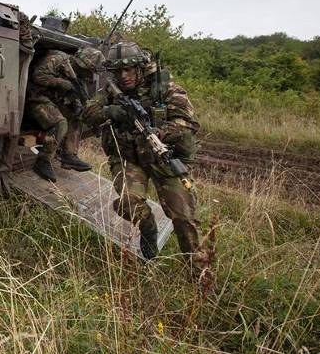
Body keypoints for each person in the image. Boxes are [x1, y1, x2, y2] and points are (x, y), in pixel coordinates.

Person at [82, 41, 206, 274]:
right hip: (129, 158)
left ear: (140, 67)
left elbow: (188, 123)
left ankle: (199, 275)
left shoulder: (165, 88)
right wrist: (111, 112)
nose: (124, 76)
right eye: (118, 71)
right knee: (128, 201)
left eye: (129, 70)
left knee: (183, 217)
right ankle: (148, 231)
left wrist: (157, 133)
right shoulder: (111, 90)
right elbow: (88, 113)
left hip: (163, 156)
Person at [26, 49, 91, 181]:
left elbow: (75, 91)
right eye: (87, 69)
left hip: (52, 99)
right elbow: (38, 76)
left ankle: (69, 155)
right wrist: (62, 83)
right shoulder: (58, 59)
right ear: (81, 64)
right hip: (35, 98)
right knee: (60, 123)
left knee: (77, 116)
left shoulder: (78, 75)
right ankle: (43, 160)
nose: (88, 73)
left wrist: (76, 103)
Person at [63, 47, 106, 171]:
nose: (90, 75)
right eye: (89, 71)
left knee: (80, 113)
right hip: (41, 100)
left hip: (60, 101)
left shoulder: (78, 77)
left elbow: (84, 99)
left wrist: (94, 122)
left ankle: (68, 155)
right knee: (74, 115)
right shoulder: (63, 65)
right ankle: (67, 155)